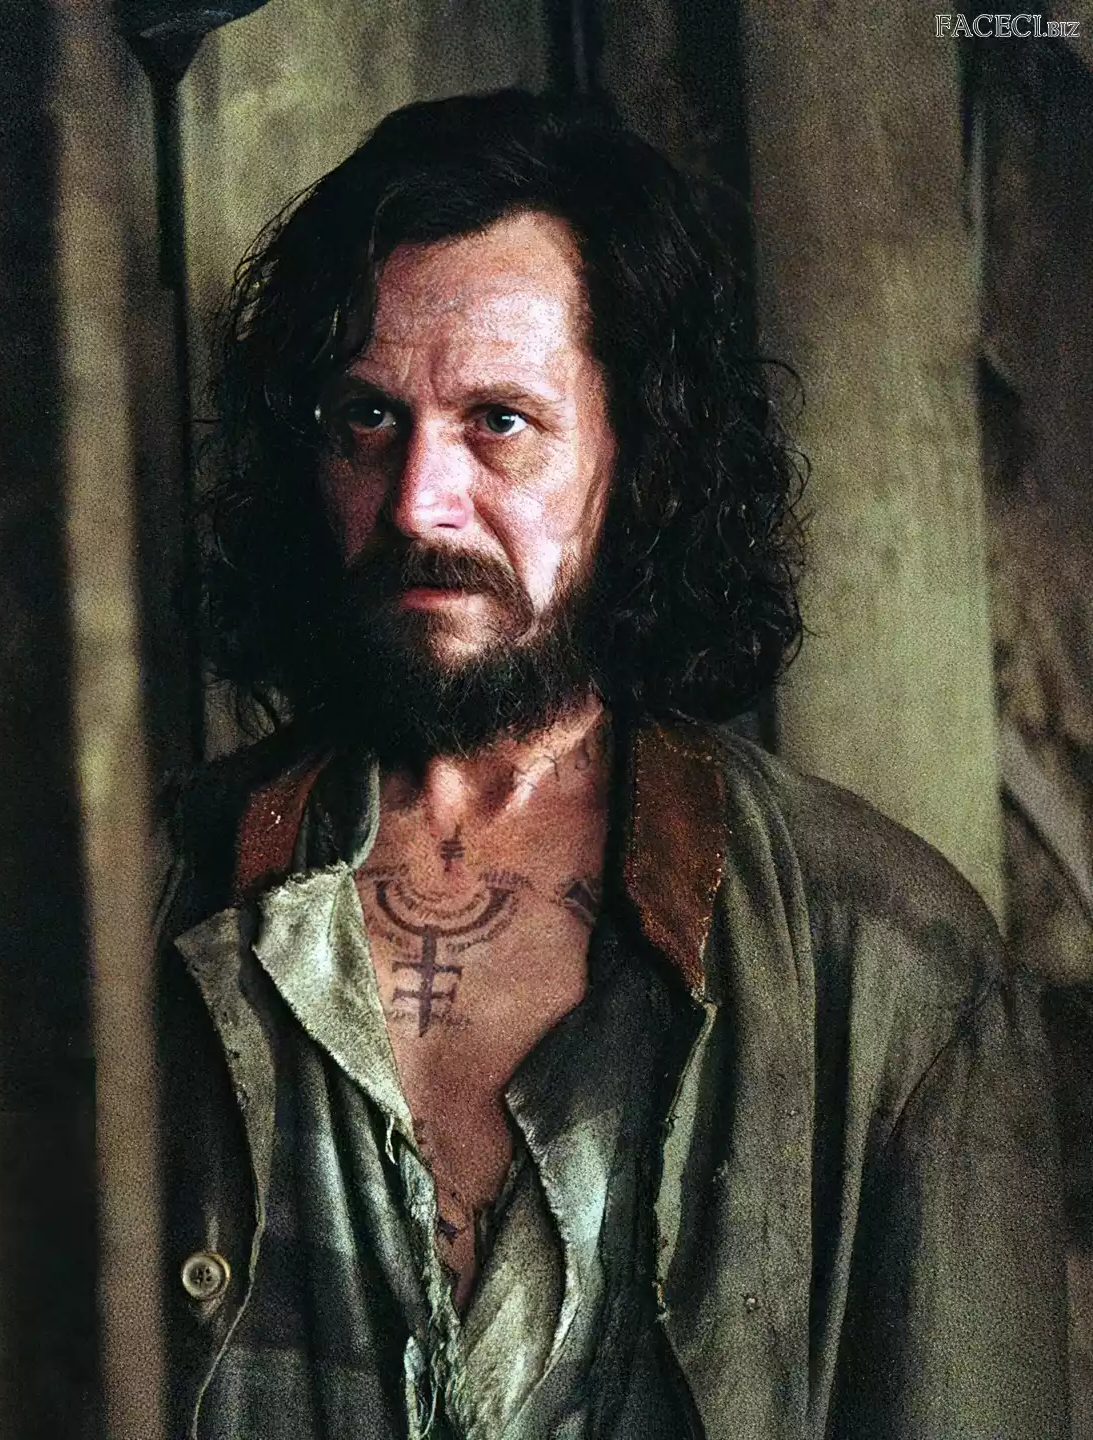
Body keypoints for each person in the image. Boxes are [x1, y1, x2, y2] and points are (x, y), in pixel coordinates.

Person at [154, 90, 1069, 1440]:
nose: (419, 502)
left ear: (638, 457)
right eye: (369, 419)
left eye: (499, 422)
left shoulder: (891, 962)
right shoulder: (143, 898)